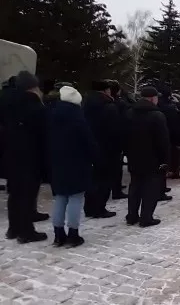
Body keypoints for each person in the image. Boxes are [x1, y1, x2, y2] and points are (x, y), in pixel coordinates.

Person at [49, 86, 97, 247]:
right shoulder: (78, 118)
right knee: (76, 198)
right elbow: (88, 143)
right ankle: (73, 234)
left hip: (57, 162)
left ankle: (58, 234)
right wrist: (95, 158)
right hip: (77, 163)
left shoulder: (51, 115)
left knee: (60, 198)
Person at [4, 71, 48, 243]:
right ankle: (26, 232)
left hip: (11, 155)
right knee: (27, 195)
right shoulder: (35, 106)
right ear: (34, 87)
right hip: (30, 157)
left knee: (15, 193)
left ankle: (13, 228)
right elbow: (43, 135)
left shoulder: (10, 103)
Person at [124, 86, 170, 227]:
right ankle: (146, 217)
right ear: (152, 98)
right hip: (152, 158)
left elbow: (123, 135)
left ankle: (132, 216)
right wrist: (164, 159)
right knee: (151, 188)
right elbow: (163, 140)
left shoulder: (129, 113)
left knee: (135, 186)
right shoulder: (157, 115)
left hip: (134, 156)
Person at [82, 80, 120, 218]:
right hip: (106, 148)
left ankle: (89, 207)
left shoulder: (85, 103)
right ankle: (99, 208)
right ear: (105, 90)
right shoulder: (109, 106)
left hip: (90, 146)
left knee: (93, 178)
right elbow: (114, 130)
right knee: (104, 180)